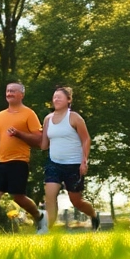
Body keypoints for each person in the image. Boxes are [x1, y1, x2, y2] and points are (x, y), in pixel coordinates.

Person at [0, 82, 46, 237]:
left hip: (19, 161)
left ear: (21, 94)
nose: (9, 93)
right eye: (8, 91)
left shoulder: (29, 114)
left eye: (13, 91)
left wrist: (19, 134)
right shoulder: (0, 116)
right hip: (0, 161)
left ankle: (39, 216)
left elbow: (39, 139)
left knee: (18, 197)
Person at [40, 86, 99, 230]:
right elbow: (43, 145)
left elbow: (86, 140)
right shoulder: (48, 119)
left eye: (60, 97)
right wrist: (22, 135)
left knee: (76, 201)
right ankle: (47, 230)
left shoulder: (74, 118)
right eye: (54, 97)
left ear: (68, 100)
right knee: (50, 196)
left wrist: (84, 161)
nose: (56, 99)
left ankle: (93, 215)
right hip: (53, 163)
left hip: (74, 165)